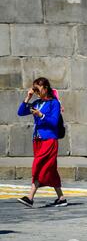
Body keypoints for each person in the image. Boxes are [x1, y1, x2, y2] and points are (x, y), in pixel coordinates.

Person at [17, 77, 66, 208]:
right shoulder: (37, 103)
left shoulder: (54, 103)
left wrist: (41, 115)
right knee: (50, 169)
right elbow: (20, 112)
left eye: (38, 89)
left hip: (49, 140)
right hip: (37, 140)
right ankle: (61, 198)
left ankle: (30, 197)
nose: (37, 93)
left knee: (39, 167)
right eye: (35, 90)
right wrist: (28, 97)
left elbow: (54, 122)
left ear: (45, 88)